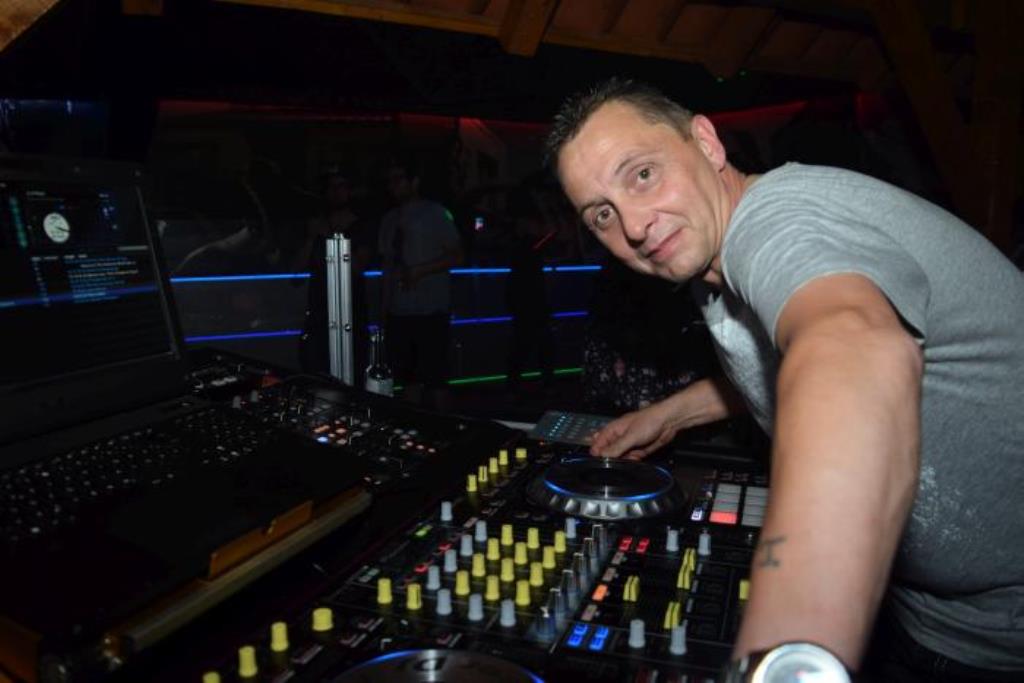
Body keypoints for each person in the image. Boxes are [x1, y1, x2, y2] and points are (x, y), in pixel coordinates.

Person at [545, 78, 1024, 680]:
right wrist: (669, 414)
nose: (635, 225)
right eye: (602, 214)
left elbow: (850, 342)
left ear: (706, 142)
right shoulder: (709, 249)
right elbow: (778, 358)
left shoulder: (777, 221)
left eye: (642, 174)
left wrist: (787, 651)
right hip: (931, 617)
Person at [378, 156, 464, 410]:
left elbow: (458, 256)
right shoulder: (389, 219)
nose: (393, 185)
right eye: (390, 181)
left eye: (398, 179)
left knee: (436, 380)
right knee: (408, 380)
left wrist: (421, 270)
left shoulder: (434, 213)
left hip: (430, 312)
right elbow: (388, 268)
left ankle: (445, 429)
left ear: (414, 182)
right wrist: (384, 312)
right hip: (399, 313)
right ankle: (413, 428)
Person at [296, 166, 372, 375]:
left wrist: (332, 234)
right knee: (317, 369)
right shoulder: (316, 226)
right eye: (331, 187)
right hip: (320, 312)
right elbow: (297, 272)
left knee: (352, 368)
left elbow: (358, 268)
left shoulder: (361, 226)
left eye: (341, 186)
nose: (336, 192)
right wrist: (312, 237)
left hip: (351, 312)